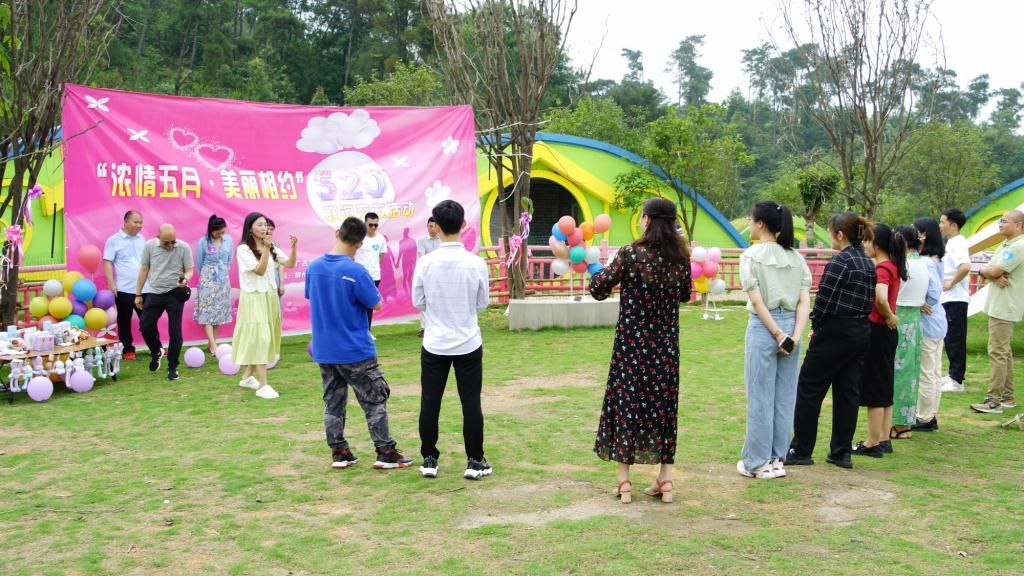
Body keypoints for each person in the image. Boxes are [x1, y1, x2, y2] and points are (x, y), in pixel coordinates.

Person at [589, 197, 692, 503]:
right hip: (665, 346)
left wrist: (601, 267)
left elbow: (598, 288)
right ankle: (665, 478)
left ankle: (624, 481)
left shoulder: (630, 254)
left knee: (626, 403)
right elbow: (685, 295)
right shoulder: (681, 259)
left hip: (631, 345)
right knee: (664, 406)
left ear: (646, 220)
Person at [306, 216, 414, 470]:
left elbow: (312, 296)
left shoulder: (314, 267)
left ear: (338, 234)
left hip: (325, 349)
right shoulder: (356, 271)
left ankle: (339, 452)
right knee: (374, 399)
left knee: (333, 403)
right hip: (355, 349)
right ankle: (385, 452)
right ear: (360, 243)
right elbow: (376, 303)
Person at [787, 212, 876, 470]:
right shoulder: (867, 261)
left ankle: (801, 448)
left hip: (835, 330)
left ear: (840, 234)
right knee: (848, 392)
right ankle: (841, 452)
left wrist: (816, 326)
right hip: (860, 330)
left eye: (830, 232)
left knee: (810, 387)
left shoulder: (840, 262)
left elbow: (824, 300)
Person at [412, 200, 491, 481]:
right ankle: (475, 459)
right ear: (463, 224)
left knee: (430, 401)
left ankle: (429, 458)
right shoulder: (476, 263)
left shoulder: (425, 263)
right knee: (470, 402)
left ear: (436, 226)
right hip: (467, 341)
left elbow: (418, 301)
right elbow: (482, 303)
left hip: (435, 341)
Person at [737, 202, 811, 479]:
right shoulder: (796, 257)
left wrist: (777, 334)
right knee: (784, 397)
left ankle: (757, 462)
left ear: (760, 223)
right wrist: (795, 335)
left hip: (764, 327)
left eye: (751, 219)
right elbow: (804, 301)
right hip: (792, 325)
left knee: (760, 396)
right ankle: (777, 459)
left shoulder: (751, 256)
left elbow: (757, 302)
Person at [852, 224, 905, 458]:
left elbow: (881, 297)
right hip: (887, 333)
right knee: (884, 384)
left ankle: (872, 442)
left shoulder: (882, 269)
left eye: (867, 241)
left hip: (878, 329)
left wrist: (888, 315)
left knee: (874, 387)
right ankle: (884, 438)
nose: (864, 245)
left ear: (877, 244)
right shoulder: (893, 266)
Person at [232, 212, 297, 400]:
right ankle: (263, 385)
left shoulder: (271, 246)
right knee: (261, 338)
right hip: (254, 297)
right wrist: (267, 248)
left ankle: (247, 377)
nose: (264, 228)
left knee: (264, 338)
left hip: (269, 296)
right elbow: (259, 271)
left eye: (265, 225)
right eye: (259, 225)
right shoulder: (243, 249)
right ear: (250, 228)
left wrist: (294, 247)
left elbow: (290, 263)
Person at [971, 210, 1024, 414]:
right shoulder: (1006, 244)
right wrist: (990, 273)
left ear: (1018, 225)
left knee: (997, 352)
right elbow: (990, 269)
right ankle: (1007, 396)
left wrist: (990, 273)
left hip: (1005, 306)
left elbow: (992, 270)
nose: (1000, 224)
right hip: (1001, 304)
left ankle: (993, 401)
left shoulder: (1017, 247)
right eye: (1000, 220)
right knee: (1004, 351)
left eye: (1004, 221)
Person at [134, 224, 194, 381]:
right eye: (166, 242)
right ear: (158, 237)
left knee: (175, 332)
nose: (170, 245)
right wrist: (138, 294)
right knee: (145, 326)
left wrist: (185, 279)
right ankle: (156, 351)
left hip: (175, 293)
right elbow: (144, 270)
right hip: (155, 292)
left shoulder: (183, 247)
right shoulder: (149, 246)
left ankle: (173, 367)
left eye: (172, 242)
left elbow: (189, 270)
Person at [892, 226, 929, 441]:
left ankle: (898, 423)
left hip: (899, 318)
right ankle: (905, 421)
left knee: (897, 372)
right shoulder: (923, 263)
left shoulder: (902, 264)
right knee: (910, 372)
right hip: (914, 321)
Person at [912, 217, 948, 432]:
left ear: (923, 235)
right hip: (937, 321)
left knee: (927, 371)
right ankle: (930, 413)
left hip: (928, 320)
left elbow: (933, 291)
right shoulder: (937, 259)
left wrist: (921, 302)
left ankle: (924, 416)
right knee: (933, 370)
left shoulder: (925, 262)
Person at [103, 211, 145, 361]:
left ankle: (156, 346)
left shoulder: (142, 239)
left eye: (140, 222)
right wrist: (111, 283)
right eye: (135, 222)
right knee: (124, 320)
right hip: (123, 288)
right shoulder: (113, 240)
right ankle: (128, 349)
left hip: (143, 288)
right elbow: (107, 262)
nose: (139, 225)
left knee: (148, 319)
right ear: (126, 222)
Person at [939, 208, 971, 393]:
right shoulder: (951, 242)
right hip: (949, 298)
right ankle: (952, 375)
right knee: (949, 337)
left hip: (956, 299)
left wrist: (952, 282)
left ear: (953, 225)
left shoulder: (958, 242)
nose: (940, 225)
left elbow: (965, 266)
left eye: (943, 222)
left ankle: (957, 380)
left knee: (955, 339)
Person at [193, 215, 233, 355]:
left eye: (222, 232)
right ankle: (214, 345)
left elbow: (229, 259)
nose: (220, 235)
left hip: (223, 279)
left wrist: (223, 273)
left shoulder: (228, 240)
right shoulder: (203, 242)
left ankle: (212, 343)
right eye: (217, 232)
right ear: (211, 230)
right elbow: (199, 263)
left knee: (218, 313)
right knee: (207, 311)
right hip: (207, 279)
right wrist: (207, 275)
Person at [355, 212, 387, 335]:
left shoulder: (381, 239)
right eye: (370, 225)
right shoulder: (359, 237)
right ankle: (357, 331)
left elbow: (381, 256)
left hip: (374, 276)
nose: (373, 227)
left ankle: (367, 331)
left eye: (375, 225)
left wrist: (372, 267)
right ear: (365, 223)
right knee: (357, 304)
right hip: (358, 277)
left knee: (370, 304)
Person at [414, 217, 442, 337]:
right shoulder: (422, 241)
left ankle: (439, 326)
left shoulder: (443, 240)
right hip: (427, 275)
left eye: (434, 226)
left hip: (441, 275)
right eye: (430, 226)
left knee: (440, 300)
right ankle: (424, 328)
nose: (432, 229)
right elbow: (422, 257)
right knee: (425, 301)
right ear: (427, 227)